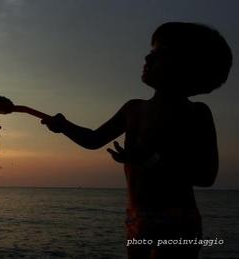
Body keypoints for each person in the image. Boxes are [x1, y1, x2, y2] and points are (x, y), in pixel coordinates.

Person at [41, 22, 232, 259]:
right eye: (151, 52)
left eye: (159, 54)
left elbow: (206, 175)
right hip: (137, 217)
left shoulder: (196, 113)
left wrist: (150, 159)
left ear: (187, 66)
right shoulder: (133, 109)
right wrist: (64, 126)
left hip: (178, 219)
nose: (147, 58)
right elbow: (94, 139)